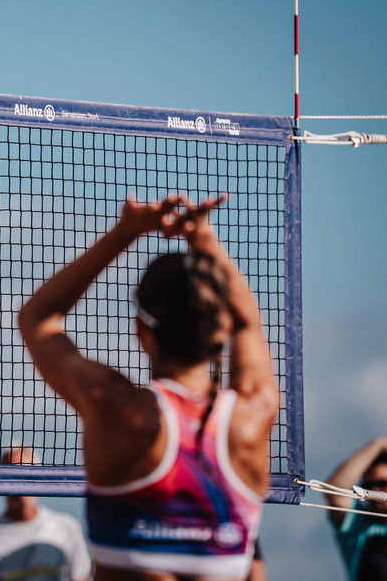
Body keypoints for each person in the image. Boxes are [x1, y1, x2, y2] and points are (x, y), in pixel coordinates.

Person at [17, 195, 278, 581]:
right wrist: (204, 239)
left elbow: (38, 318)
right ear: (221, 328)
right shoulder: (253, 413)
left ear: (140, 330)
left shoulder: (117, 408)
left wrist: (126, 232)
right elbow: (247, 322)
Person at [0, 445, 91, 581]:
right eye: (12, 475)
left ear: (40, 478)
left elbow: (81, 577)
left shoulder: (68, 528)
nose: (21, 482)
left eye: (28, 473)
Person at [323, 436, 387, 580]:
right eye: (367, 486)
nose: (375, 490)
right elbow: (334, 492)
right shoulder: (358, 522)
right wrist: (378, 445)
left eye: (382, 483)